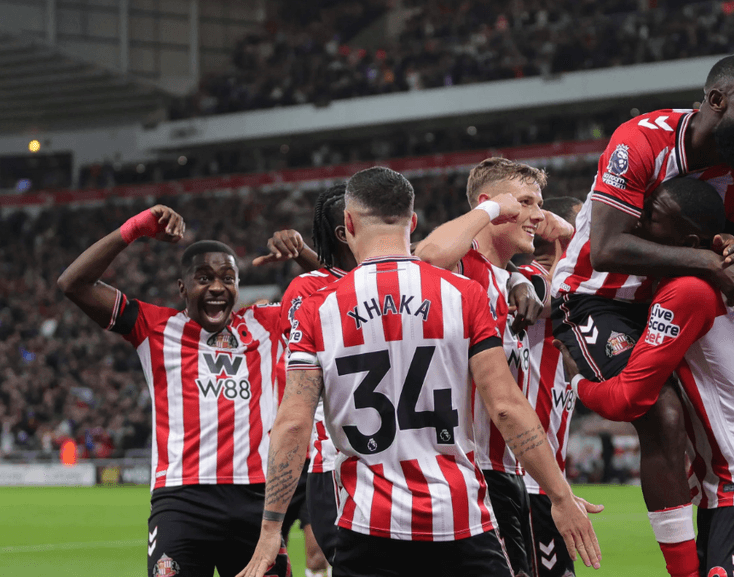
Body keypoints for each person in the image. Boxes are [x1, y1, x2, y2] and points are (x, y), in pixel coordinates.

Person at [236, 166, 602, 577]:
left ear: (349, 224)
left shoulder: (317, 307)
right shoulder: (462, 293)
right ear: (412, 223)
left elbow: (292, 424)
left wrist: (271, 528)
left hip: (367, 519)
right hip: (458, 512)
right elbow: (505, 406)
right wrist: (560, 495)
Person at [550, 53, 734, 577]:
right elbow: (606, 248)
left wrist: (723, 255)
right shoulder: (641, 141)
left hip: (675, 293)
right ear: (717, 100)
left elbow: (727, 257)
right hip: (598, 296)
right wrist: (710, 262)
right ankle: (685, 570)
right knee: (662, 415)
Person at [57, 205, 291, 577]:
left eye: (228, 278)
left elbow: (337, 294)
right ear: (183, 288)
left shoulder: (268, 323)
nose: (217, 287)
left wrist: (303, 253)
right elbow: (73, 284)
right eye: (204, 278)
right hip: (182, 501)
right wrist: (132, 229)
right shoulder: (155, 327)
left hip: (255, 499)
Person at [414, 157, 574, 577]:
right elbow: (427, 254)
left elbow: (582, 279)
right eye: (525, 202)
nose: (537, 215)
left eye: (540, 205)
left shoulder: (515, 283)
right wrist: (488, 210)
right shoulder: (463, 270)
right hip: (469, 471)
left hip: (506, 473)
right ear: (492, 203)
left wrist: (563, 231)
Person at [254, 183, 356, 577]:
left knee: (325, 556)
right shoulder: (307, 290)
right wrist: (307, 256)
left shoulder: (393, 277)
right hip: (314, 449)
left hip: (365, 452)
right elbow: (337, 287)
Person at [516, 196, 583, 577]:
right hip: (527, 482)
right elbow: (535, 301)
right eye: (579, 225)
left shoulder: (572, 287)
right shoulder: (531, 276)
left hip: (545, 482)